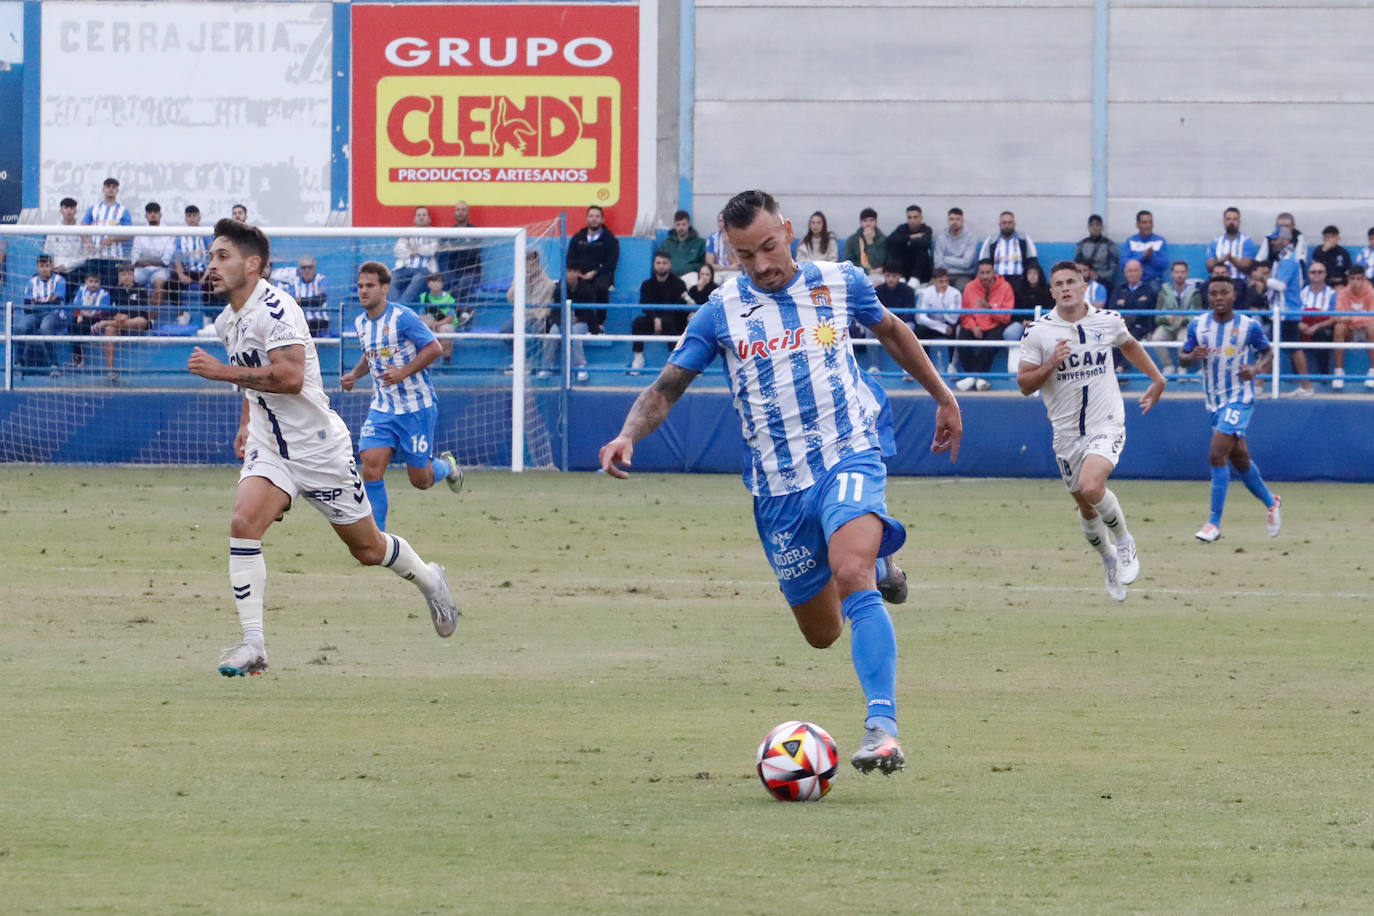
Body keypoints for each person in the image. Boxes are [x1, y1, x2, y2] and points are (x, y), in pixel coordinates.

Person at [598, 189, 963, 776]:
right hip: (777, 489)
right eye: (746, 255)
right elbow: (666, 387)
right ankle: (880, 567)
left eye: (769, 246)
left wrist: (944, 397)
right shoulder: (720, 311)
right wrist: (628, 434)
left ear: (788, 231)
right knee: (822, 633)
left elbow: (893, 331)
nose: (763, 264)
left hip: (849, 454)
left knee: (850, 573)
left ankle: (882, 727)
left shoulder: (840, 281)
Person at [186, 221, 459, 676]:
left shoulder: (277, 309)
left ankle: (431, 579)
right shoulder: (226, 320)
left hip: (318, 450)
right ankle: (255, 646)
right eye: (211, 256)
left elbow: (290, 378)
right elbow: (250, 376)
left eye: (222, 257)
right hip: (270, 446)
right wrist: (245, 422)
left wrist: (220, 373)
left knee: (369, 550)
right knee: (243, 522)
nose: (211, 266)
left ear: (252, 265)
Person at [1017, 260, 1166, 601]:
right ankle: (1108, 559)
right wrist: (1051, 363)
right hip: (1066, 433)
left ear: (1085, 286)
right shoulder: (1038, 332)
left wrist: (1157, 379)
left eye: (1072, 281)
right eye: (1059, 283)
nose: (1066, 287)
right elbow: (1025, 384)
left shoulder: (1108, 321)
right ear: (1052, 291)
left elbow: (1128, 344)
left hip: (1107, 422)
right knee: (1085, 506)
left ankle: (1126, 542)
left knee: (1091, 485)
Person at [339, 260, 464, 531]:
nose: (363, 291)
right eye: (360, 286)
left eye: (370, 286)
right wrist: (354, 375)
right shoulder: (361, 323)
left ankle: (447, 466)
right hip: (383, 408)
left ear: (385, 288)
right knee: (371, 467)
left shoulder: (403, 317)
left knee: (421, 480)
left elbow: (434, 348)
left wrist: (403, 372)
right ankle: (378, 539)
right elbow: (369, 356)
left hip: (416, 407)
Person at [1177, 276, 1281, 543]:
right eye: (1214, 293)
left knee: (1216, 454)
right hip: (1213, 401)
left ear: (1234, 295)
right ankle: (1272, 502)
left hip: (1240, 398)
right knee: (1240, 459)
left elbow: (1268, 352)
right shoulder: (1198, 325)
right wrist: (1192, 356)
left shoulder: (1248, 327)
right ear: (1208, 297)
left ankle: (1213, 524)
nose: (1219, 297)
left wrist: (1256, 369)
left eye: (1224, 292)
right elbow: (1183, 358)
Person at [955, 258, 1015, 391]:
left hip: (996, 324)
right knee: (962, 342)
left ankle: (972, 377)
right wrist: (973, 326)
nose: (985, 276)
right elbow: (965, 314)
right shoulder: (970, 287)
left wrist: (989, 308)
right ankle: (979, 379)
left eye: (988, 272)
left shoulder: (1005, 288)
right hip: (974, 325)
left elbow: (1006, 317)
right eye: (982, 273)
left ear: (994, 272)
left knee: (991, 343)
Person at [629, 251, 690, 373]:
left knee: (671, 322)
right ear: (654, 265)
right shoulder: (646, 284)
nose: (661, 265)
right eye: (658, 263)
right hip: (653, 319)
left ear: (669, 265)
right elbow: (645, 305)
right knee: (638, 322)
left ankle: (675, 362)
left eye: (664, 263)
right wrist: (656, 319)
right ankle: (638, 358)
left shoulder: (679, 283)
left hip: (673, 320)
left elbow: (680, 306)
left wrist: (663, 320)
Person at [503, 248, 559, 377]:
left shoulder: (547, 283)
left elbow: (546, 308)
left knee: (532, 329)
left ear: (538, 263)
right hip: (520, 317)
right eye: (528, 263)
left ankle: (530, 363)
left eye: (534, 263)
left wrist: (534, 316)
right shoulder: (519, 278)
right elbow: (510, 298)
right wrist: (522, 281)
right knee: (506, 330)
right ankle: (521, 360)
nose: (531, 266)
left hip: (538, 318)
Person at [96, 264, 152, 382]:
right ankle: (110, 370)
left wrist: (127, 316)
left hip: (136, 323)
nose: (126, 277)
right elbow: (111, 310)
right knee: (109, 330)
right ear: (119, 277)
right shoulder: (114, 291)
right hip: (119, 323)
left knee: (141, 320)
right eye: (123, 274)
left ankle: (106, 323)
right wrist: (116, 316)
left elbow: (143, 312)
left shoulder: (141, 290)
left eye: (129, 274)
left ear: (133, 275)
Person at [82, 177, 133, 288]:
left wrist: (113, 239)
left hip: (113, 257)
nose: (111, 189)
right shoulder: (94, 208)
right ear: (103, 189)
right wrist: (87, 241)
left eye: (114, 187)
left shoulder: (123, 211)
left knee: (109, 287)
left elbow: (129, 234)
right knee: (91, 287)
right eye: (108, 186)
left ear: (117, 190)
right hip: (93, 256)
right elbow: (82, 227)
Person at [18, 254, 68, 367]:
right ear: (37, 267)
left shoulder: (60, 280)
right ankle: (18, 362)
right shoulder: (31, 282)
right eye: (42, 265)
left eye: (47, 265)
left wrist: (37, 302)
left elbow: (56, 301)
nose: (45, 268)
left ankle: (53, 364)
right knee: (20, 327)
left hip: (54, 314)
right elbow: (26, 305)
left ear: (52, 266)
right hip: (36, 314)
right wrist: (45, 302)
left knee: (45, 327)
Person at [566, 204, 618, 311]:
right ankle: (567, 318)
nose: (594, 219)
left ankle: (599, 323)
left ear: (602, 219)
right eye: (591, 216)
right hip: (579, 273)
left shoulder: (610, 239)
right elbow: (570, 258)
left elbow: (611, 262)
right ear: (587, 218)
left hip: (601, 274)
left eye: (597, 216)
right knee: (563, 286)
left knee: (601, 288)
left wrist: (595, 272)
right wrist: (578, 273)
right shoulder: (577, 238)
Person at [1152, 261, 1201, 373]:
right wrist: (1166, 319)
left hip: (1186, 326)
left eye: (1182, 272)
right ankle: (1168, 366)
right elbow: (1157, 316)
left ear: (1187, 274)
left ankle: (1182, 367)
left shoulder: (1194, 292)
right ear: (1172, 274)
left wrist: (1185, 320)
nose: (1180, 275)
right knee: (1156, 338)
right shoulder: (1164, 292)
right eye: (1177, 272)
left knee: (1183, 339)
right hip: (1168, 325)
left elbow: (1197, 314)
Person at [1297, 260, 1338, 391]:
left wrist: (1317, 326)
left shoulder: (1332, 294)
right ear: (1308, 274)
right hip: (1303, 325)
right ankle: (1297, 375)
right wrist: (1300, 324)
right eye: (1313, 272)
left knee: (1323, 334)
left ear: (1325, 274)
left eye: (1320, 272)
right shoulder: (1301, 293)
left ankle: (1324, 374)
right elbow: (1294, 314)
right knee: (1291, 332)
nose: (1316, 274)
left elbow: (1334, 317)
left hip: (1322, 326)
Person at [912, 266, 960, 375]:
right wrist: (941, 327)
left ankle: (952, 366)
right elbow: (920, 318)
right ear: (934, 281)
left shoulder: (955, 293)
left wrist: (941, 303)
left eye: (946, 281)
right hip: (934, 325)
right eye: (940, 281)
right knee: (919, 330)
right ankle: (924, 367)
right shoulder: (924, 293)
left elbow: (953, 318)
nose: (944, 284)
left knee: (957, 330)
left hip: (949, 325)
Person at [1333, 264, 1374, 390]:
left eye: (1358, 279)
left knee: (1372, 327)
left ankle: (1372, 371)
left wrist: (1351, 318)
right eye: (1352, 278)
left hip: (1366, 330)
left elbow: (1372, 317)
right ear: (1348, 279)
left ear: (1364, 280)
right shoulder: (1343, 293)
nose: (1355, 282)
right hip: (1350, 331)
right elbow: (1340, 316)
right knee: (1339, 328)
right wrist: (1359, 319)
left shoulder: (1371, 293)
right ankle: (1339, 372)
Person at [130, 202, 175, 314]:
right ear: (146, 216)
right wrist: (153, 262)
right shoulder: (140, 232)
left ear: (160, 214)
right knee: (127, 280)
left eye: (155, 212)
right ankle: (131, 314)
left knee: (159, 284)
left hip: (160, 270)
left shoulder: (168, 232)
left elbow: (166, 261)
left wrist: (146, 262)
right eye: (150, 212)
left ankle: (152, 320)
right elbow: (134, 259)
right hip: (141, 270)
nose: (153, 214)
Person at [391, 205, 440, 304]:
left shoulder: (434, 233)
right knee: (390, 279)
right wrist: (417, 250)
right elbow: (398, 251)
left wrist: (413, 249)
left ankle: (400, 307)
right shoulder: (407, 233)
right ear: (414, 218)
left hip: (424, 270)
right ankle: (395, 306)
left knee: (417, 279)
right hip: (404, 268)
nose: (421, 217)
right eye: (419, 215)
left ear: (429, 218)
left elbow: (432, 250)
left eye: (424, 215)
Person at [437, 200, 484, 304]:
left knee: (462, 285)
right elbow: (441, 247)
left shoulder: (476, 231)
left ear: (468, 213)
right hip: (453, 271)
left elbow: (472, 251)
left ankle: (452, 309)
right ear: (454, 213)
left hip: (472, 272)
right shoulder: (448, 232)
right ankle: (460, 313)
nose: (460, 212)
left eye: (463, 210)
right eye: (458, 210)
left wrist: (453, 244)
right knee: (440, 284)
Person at [172, 205, 210, 323]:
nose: (192, 218)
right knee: (171, 282)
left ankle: (208, 315)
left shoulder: (206, 234)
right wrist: (181, 275)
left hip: (204, 271)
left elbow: (213, 257)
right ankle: (182, 313)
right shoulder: (180, 237)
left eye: (194, 215)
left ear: (199, 217)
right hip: (188, 271)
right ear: (185, 218)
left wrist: (204, 277)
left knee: (212, 282)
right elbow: (177, 258)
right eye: (189, 216)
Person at [978, 211, 1039, 280]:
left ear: (1014, 224)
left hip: (1019, 279)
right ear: (999, 224)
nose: (1007, 225)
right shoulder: (991, 239)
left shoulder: (1024, 238)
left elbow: (1032, 259)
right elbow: (983, 260)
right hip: (996, 280)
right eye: (1004, 223)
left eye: (1010, 223)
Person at [44, 197, 86, 295]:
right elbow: (47, 252)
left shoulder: (83, 230)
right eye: (66, 208)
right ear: (61, 210)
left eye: (71, 208)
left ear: (75, 210)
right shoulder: (54, 230)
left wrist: (66, 265)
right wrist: (51, 266)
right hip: (55, 270)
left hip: (75, 270)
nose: (69, 211)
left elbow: (84, 257)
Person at [1205, 207, 1260, 280]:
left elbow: (1247, 267)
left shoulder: (1246, 241)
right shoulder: (1216, 241)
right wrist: (1221, 260)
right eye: (1228, 219)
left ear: (1239, 221)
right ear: (1224, 221)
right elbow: (1209, 268)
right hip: (1217, 281)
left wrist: (1232, 260)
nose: (1231, 222)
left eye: (1235, 219)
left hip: (1239, 281)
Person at [1120, 210, 1169, 287]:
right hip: (1134, 281)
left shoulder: (1159, 240)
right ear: (1137, 225)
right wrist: (1142, 256)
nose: (1148, 225)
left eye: (1150, 222)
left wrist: (1152, 257)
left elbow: (1165, 264)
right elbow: (1123, 263)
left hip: (1154, 281)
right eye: (1144, 223)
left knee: (1155, 289)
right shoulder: (1131, 241)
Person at [933, 206, 979, 289]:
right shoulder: (941, 238)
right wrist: (959, 262)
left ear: (962, 221)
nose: (954, 222)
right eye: (952, 219)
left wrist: (945, 259)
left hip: (964, 275)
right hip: (942, 275)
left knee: (963, 288)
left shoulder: (971, 238)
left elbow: (966, 263)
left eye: (958, 219)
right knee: (931, 289)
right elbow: (937, 264)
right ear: (948, 221)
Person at [887, 204, 934, 284]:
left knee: (921, 249)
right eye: (909, 217)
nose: (912, 220)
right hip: (904, 267)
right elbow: (889, 241)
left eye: (915, 217)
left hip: (920, 271)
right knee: (896, 248)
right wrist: (911, 237)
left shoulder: (926, 229)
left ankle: (914, 281)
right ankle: (900, 278)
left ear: (921, 218)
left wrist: (905, 242)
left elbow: (925, 243)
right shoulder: (902, 228)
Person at [420, 273, 461, 364]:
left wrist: (437, 324)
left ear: (442, 284)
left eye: (438, 282)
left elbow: (450, 318)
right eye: (433, 281)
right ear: (428, 284)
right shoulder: (423, 297)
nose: (435, 284)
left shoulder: (449, 298)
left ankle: (446, 359)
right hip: (431, 320)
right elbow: (422, 315)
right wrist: (427, 324)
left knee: (444, 330)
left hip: (447, 322)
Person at [1075, 214, 1120, 292]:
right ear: (1088, 227)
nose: (1094, 228)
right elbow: (1077, 264)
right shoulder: (1081, 245)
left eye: (1097, 225)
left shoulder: (1110, 245)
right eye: (1091, 225)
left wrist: (1098, 276)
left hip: (1104, 281)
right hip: (1084, 279)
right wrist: (1086, 274)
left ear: (1102, 227)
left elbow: (1114, 267)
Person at [660, 209, 706, 283]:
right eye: (678, 224)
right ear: (674, 225)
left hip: (690, 276)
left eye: (683, 224)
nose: (681, 227)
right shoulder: (667, 243)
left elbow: (704, 263)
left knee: (693, 279)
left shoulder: (699, 243)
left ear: (688, 224)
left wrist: (691, 267)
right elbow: (660, 260)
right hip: (670, 276)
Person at [842, 207, 887, 281]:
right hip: (859, 275)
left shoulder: (882, 239)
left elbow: (876, 264)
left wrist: (870, 242)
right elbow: (848, 263)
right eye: (865, 221)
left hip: (879, 275)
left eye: (871, 220)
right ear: (861, 223)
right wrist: (867, 271)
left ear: (876, 222)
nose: (868, 223)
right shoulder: (852, 239)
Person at [288, 256, 330, 336]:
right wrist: (312, 299)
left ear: (314, 268)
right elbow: (291, 303)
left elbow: (320, 300)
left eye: (310, 267)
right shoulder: (294, 283)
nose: (307, 270)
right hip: (299, 322)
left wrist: (300, 300)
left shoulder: (321, 279)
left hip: (319, 321)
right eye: (304, 267)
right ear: (300, 269)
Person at [704, 210, 740, 278]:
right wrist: (729, 268)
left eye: (725, 220)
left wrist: (727, 247)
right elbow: (709, 264)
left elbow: (738, 265)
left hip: (734, 272)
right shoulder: (712, 238)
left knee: (732, 280)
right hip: (718, 272)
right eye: (720, 221)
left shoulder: (738, 236)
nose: (723, 223)